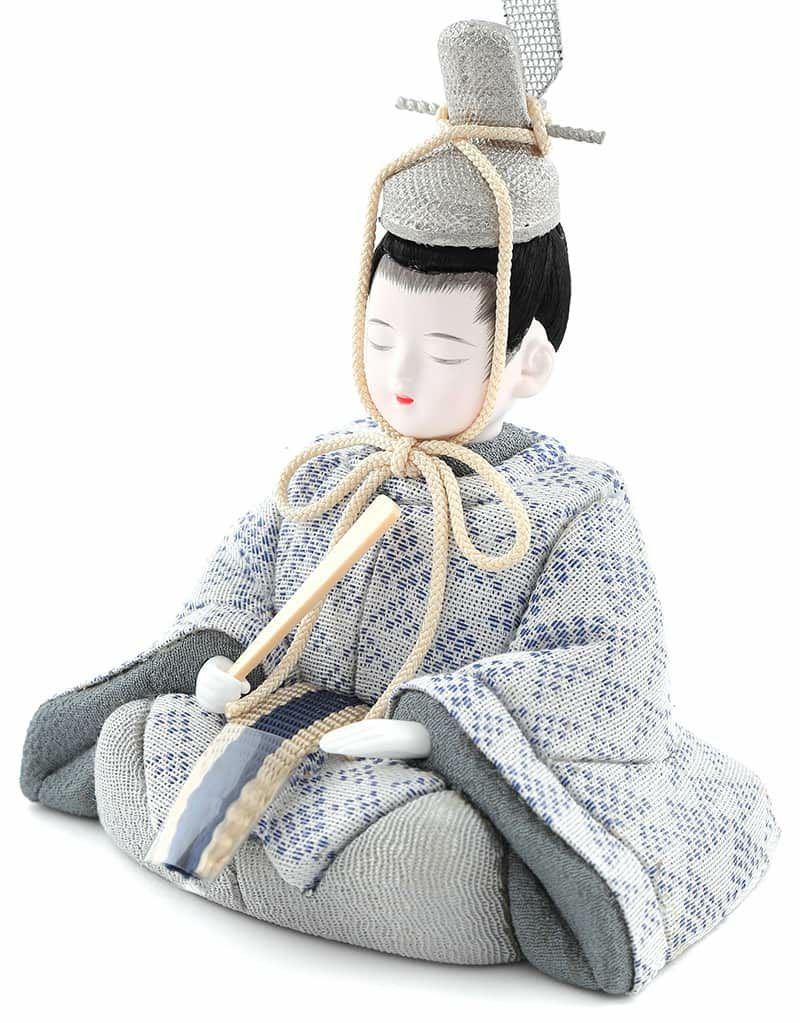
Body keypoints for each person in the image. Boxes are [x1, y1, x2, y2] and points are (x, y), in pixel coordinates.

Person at [20, 14, 778, 994]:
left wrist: (431, 725)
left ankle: (351, 866)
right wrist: (219, 659)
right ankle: (261, 850)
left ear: (528, 359)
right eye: (381, 339)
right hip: (287, 723)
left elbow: (604, 670)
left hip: (430, 771)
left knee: (440, 856)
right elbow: (243, 577)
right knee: (138, 741)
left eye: (446, 350)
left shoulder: (571, 506)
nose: (402, 378)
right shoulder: (334, 468)